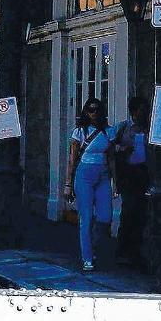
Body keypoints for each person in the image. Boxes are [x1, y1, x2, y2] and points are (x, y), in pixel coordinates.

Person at [62, 97, 114, 272]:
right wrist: (68, 184)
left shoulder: (108, 132)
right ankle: (87, 257)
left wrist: (117, 182)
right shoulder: (79, 132)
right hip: (84, 174)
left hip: (104, 175)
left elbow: (112, 158)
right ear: (85, 112)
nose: (94, 113)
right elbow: (72, 159)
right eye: (90, 110)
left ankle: (94, 248)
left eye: (97, 109)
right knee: (86, 218)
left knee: (105, 217)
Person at [110, 96, 150, 269]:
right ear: (133, 112)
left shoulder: (148, 129)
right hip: (129, 173)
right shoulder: (123, 127)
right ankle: (122, 251)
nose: (144, 114)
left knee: (141, 214)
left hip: (144, 172)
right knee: (129, 211)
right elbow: (110, 147)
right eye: (141, 111)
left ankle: (136, 251)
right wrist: (122, 149)